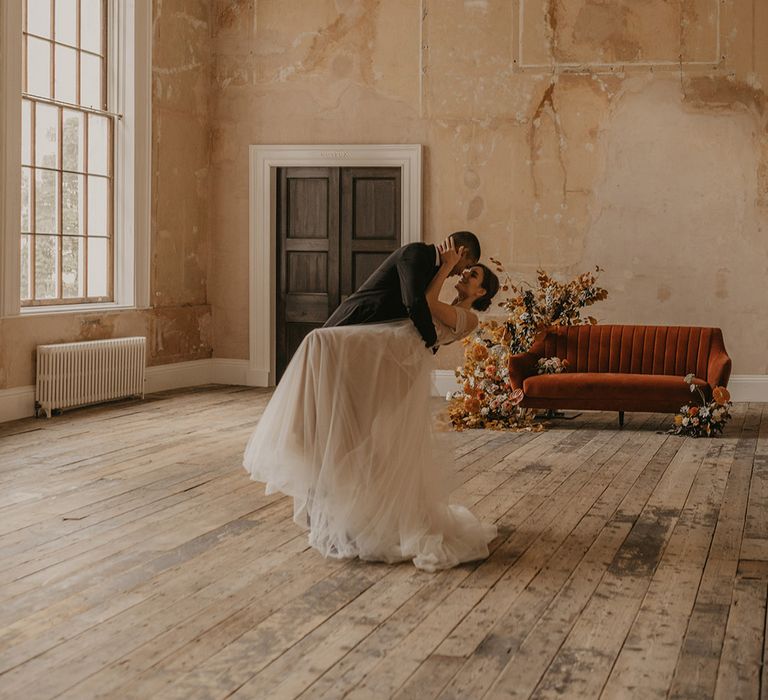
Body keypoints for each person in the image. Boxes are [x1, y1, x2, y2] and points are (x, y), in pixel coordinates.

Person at [243, 238, 501, 571]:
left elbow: (424, 302)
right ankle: (322, 474)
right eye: (467, 270)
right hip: (392, 349)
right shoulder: (446, 293)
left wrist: (447, 266)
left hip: (396, 355)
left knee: (321, 345)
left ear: (480, 294)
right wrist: (446, 268)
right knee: (354, 416)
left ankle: (339, 488)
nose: (464, 275)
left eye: (473, 276)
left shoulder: (468, 319)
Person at [323, 231, 481, 349]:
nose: (462, 272)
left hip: (369, 335)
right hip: (355, 321)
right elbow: (414, 302)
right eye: (466, 266)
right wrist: (431, 340)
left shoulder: (434, 270)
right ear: (462, 252)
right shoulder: (417, 253)